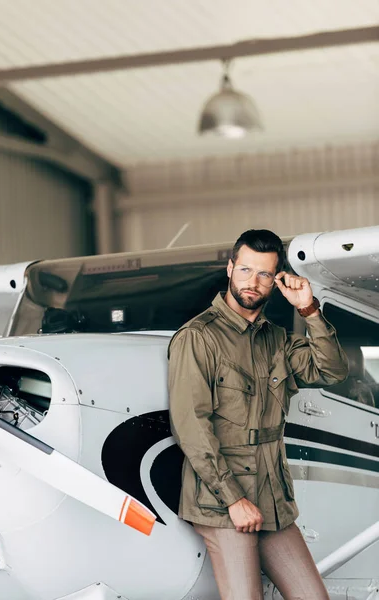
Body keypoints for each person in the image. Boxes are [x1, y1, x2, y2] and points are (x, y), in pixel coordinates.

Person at [168, 229, 348, 600]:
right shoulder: (198, 337)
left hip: (272, 495)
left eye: (265, 274)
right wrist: (233, 499)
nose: (253, 282)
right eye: (246, 270)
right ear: (230, 268)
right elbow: (192, 426)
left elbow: (332, 371)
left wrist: (308, 310)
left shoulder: (277, 339)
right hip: (223, 501)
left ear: (275, 280)